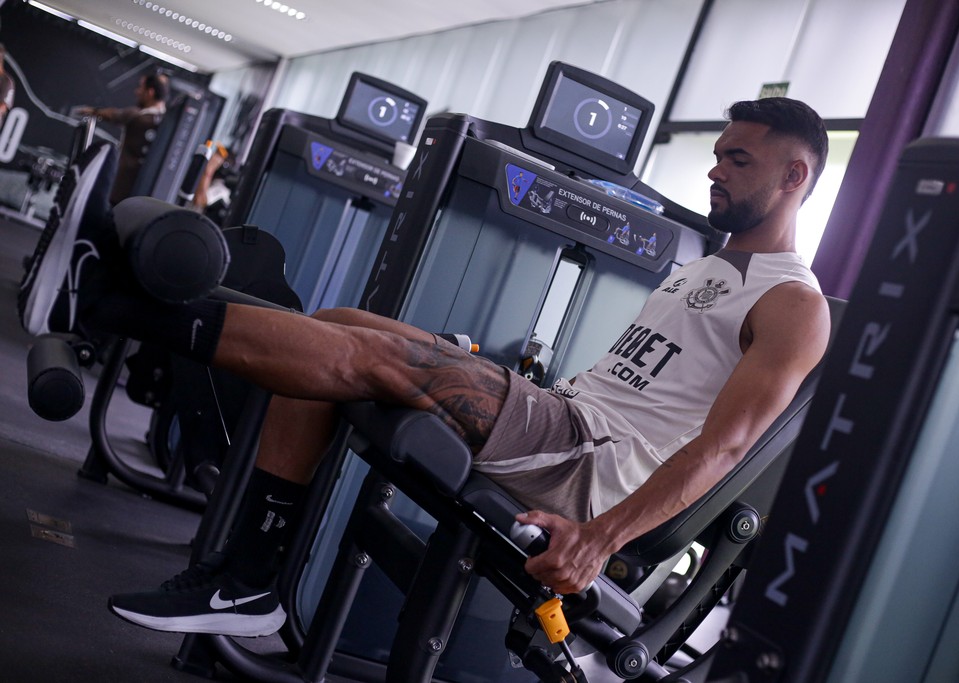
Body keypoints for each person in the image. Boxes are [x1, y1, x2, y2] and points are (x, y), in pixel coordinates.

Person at [18, 97, 831, 638]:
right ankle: (252, 576)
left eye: (738, 160)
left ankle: (100, 301)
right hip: (562, 420)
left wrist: (599, 539)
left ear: (794, 176)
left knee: (371, 357)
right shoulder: (707, 266)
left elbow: (726, 446)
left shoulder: (795, 303)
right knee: (339, 327)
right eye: (717, 155)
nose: (716, 170)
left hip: (586, 463)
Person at [76, 72, 168, 205]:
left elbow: (117, 115)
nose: (137, 92)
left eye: (141, 88)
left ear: (150, 92)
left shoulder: (139, 117)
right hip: (142, 195)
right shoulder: (165, 122)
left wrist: (92, 111)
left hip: (121, 190)